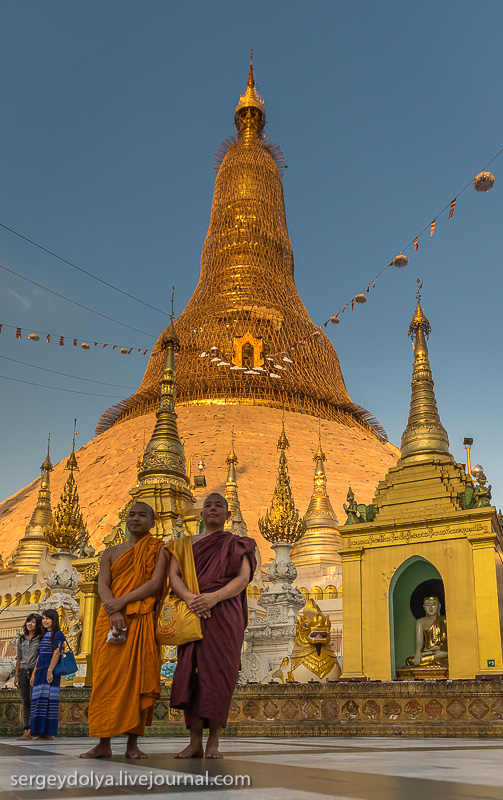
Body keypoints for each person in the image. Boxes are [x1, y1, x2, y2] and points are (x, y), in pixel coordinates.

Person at [169, 492, 256, 759]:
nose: (213, 509)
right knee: (191, 676)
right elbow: (174, 576)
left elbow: (243, 579)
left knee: (220, 676)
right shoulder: (183, 544)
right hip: (193, 612)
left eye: (219, 506)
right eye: (208, 505)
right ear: (201, 514)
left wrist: (213, 598)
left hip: (225, 614)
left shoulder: (238, 543)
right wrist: (191, 599)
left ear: (228, 515)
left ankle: (214, 742)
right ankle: (194, 741)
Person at [80, 501, 167, 760]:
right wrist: (113, 608)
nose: (136, 518)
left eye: (142, 515)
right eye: (131, 514)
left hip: (140, 620)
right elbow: (102, 585)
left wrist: (122, 602)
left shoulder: (158, 549)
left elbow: (155, 584)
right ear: (125, 520)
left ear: (152, 523)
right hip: (111, 620)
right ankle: (103, 742)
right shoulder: (109, 552)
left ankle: (132, 745)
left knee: (139, 678)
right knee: (105, 679)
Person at [30, 609, 65, 740]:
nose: (44, 621)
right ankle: (41, 732)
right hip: (40, 671)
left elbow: (57, 652)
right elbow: (40, 656)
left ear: (53, 620)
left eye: (47, 618)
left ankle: (48, 733)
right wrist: (34, 672)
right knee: (39, 701)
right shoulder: (43, 635)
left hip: (50, 671)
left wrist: (50, 671)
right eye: (43, 618)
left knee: (48, 701)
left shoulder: (58, 634)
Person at [14, 613, 43, 740]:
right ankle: (26, 729)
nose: (29, 624)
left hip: (34, 672)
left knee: (33, 701)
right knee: (25, 702)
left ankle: (32, 730)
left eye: (33, 622)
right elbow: (19, 657)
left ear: (38, 624)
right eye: (28, 622)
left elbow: (39, 656)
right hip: (23, 672)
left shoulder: (41, 638)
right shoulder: (21, 639)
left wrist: (35, 673)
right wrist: (16, 675)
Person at [406, 595, 448, 667]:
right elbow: (419, 641)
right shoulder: (420, 622)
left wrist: (439, 648)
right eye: (427, 605)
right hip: (427, 653)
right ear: (424, 607)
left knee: (445, 659)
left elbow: (449, 642)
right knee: (409, 661)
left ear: (439, 606)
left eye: (434, 604)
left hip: (441, 653)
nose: (431, 608)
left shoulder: (444, 620)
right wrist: (418, 652)